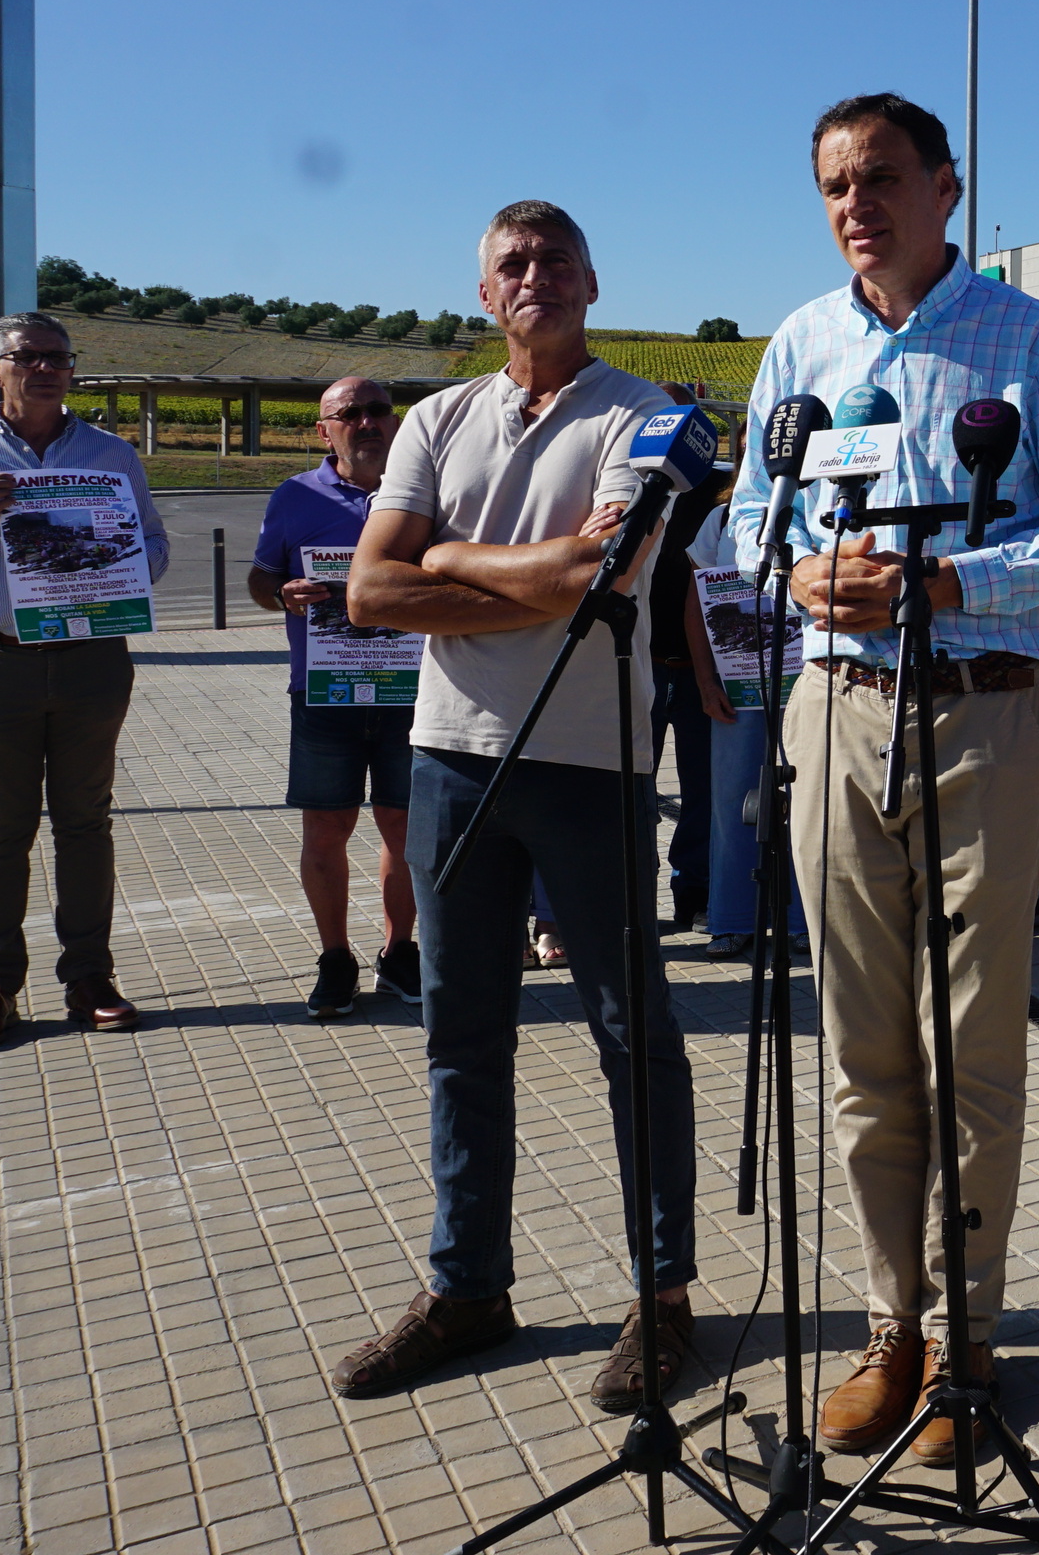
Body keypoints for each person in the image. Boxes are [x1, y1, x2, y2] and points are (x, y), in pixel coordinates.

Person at [731, 93, 1039, 1467]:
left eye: (884, 178)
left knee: (971, 1046)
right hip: (838, 710)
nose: (859, 204)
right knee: (861, 1047)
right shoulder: (801, 342)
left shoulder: (1025, 339)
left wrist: (958, 576)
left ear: (947, 189)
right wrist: (789, 569)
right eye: (837, 185)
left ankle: (970, 1347)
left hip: (984, 711)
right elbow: (748, 522)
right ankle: (885, 1325)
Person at [328, 200, 704, 1415]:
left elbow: (600, 575)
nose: (533, 275)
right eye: (510, 263)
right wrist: (495, 575)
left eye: (552, 259)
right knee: (461, 1034)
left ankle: (664, 1294)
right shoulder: (438, 417)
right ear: (485, 292)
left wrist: (447, 556)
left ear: (593, 278)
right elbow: (369, 592)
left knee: (627, 1031)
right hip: (450, 759)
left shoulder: (647, 416)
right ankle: (467, 1285)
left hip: (593, 762)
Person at [0, 311, 171, 1051]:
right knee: (1, 829)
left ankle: (89, 976)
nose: (48, 368)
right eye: (29, 357)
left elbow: (154, 546)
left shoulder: (112, 454)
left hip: (94, 656)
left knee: (86, 823)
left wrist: (118, 560)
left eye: (59, 356)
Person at [249, 376, 420, 1019]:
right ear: (326, 430)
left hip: (412, 686)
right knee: (326, 827)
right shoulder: (294, 495)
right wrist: (280, 594)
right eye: (350, 413)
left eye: (379, 409)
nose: (368, 421)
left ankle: (400, 951)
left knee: (405, 828)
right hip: (325, 689)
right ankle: (335, 957)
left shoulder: (427, 488)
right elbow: (261, 576)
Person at [679, 493, 808, 961]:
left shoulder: (825, 505)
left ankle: (803, 919)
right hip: (740, 687)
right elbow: (696, 601)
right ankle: (731, 919)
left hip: (811, 680)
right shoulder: (725, 518)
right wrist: (704, 679)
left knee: (810, 800)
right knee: (733, 798)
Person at [645, 458, 726, 932]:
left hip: (705, 670)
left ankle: (693, 893)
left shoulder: (720, 492)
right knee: (633, 792)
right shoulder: (625, 484)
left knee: (703, 792)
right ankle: (635, 893)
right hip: (640, 665)